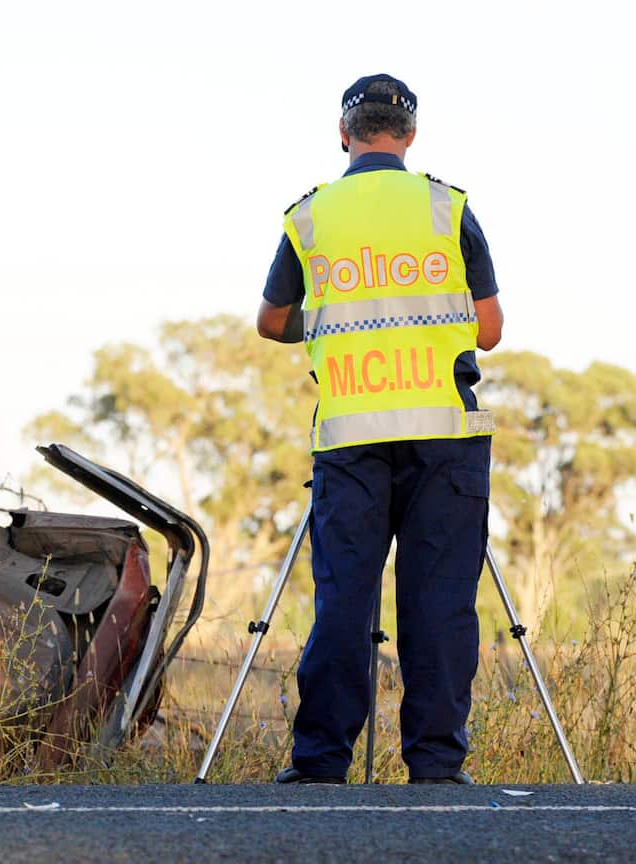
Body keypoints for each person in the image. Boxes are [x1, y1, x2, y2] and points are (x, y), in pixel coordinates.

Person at [256, 74, 504, 784]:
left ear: (344, 133)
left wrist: (331, 322)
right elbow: (487, 330)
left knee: (344, 598)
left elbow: (272, 321)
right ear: (410, 137)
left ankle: (319, 763)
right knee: (439, 602)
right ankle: (435, 766)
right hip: (445, 436)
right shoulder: (445, 205)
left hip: (351, 435)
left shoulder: (310, 217)